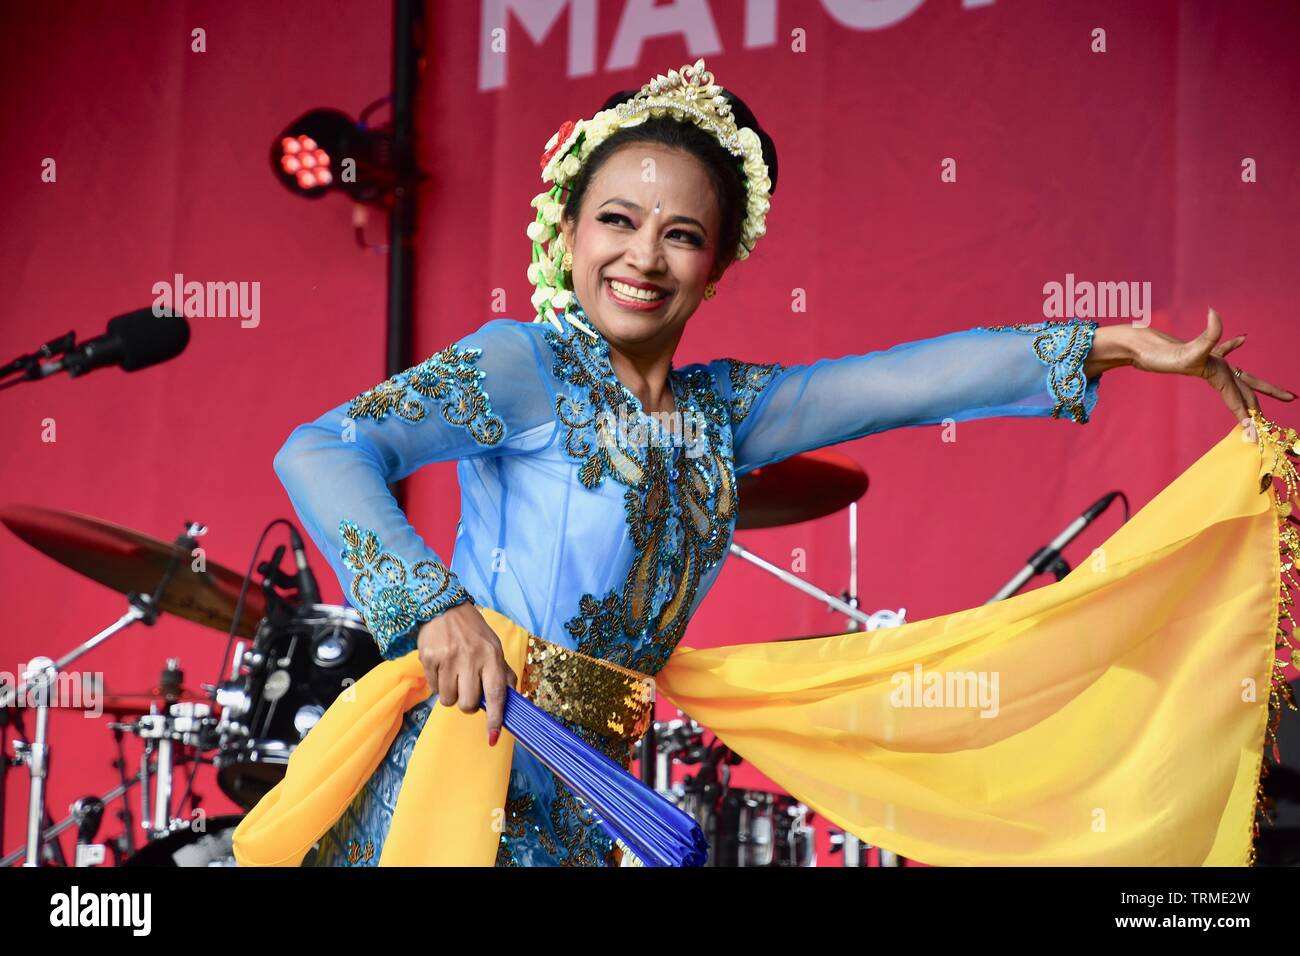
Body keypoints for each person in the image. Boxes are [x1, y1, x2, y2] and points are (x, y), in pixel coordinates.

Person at [269, 59, 1293, 867]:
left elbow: (911, 382)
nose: (642, 255)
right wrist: (430, 605)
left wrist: (1114, 343)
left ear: (714, 266)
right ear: (568, 231)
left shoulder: (726, 410)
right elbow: (320, 447)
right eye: (616, 220)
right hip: (463, 765)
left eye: (681, 234)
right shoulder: (525, 364)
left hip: (587, 793)